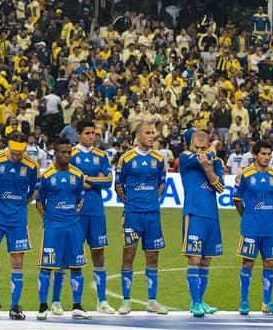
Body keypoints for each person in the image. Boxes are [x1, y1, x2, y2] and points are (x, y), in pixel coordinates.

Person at [0, 129, 40, 319]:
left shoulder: (32, 165)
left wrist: (20, 205)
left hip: (17, 219)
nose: (17, 156)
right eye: (14, 152)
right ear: (8, 147)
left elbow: (34, 191)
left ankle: (15, 305)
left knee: (17, 260)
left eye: (20, 153)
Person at [115, 121, 168, 315]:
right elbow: (119, 186)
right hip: (132, 214)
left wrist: (152, 200)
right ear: (138, 136)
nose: (151, 136)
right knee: (128, 255)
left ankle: (152, 301)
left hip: (152, 215)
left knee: (153, 256)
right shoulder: (126, 159)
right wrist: (131, 204)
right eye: (147, 133)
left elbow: (162, 183)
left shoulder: (159, 159)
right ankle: (126, 301)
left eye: (153, 132)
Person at [35, 137, 90, 320]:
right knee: (46, 266)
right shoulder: (47, 176)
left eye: (69, 152)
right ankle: (43, 307)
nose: (66, 156)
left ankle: (77, 306)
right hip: (53, 228)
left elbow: (80, 199)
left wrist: (71, 216)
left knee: (77, 266)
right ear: (55, 153)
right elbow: (40, 202)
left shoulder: (78, 175)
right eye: (62, 152)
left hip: (73, 227)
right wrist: (49, 221)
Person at [233, 139, 273, 316]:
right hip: (251, 227)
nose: (266, 157)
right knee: (248, 262)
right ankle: (244, 301)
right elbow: (237, 200)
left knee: (269, 263)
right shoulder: (244, 175)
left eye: (269, 154)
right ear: (255, 155)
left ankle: (267, 302)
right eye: (263, 154)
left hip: (270, 227)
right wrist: (247, 216)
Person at [71, 119, 115, 314]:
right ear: (78, 134)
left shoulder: (101, 156)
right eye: (87, 133)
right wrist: (91, 181)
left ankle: (102, 300)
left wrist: (85, 179)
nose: (91, 137)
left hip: (96, 210)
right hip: (76, 210)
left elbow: (107, 181)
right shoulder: (70, 154)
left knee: (99, 254)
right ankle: (76, 303)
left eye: (93, 133)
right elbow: (70, 181)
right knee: (75, 256)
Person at [178, 128, 224, 317]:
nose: (200, 151)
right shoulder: (185, 158)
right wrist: (211, 149)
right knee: (194, 258)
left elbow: (220, 187)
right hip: (194, 213)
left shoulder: (216, 163)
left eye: (203, 147)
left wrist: (209, 168)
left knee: (206, 260)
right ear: (191, 145)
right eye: (197, 147)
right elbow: (201, 158)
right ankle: (195, 302)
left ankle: (200, 301)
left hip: (211, 215)